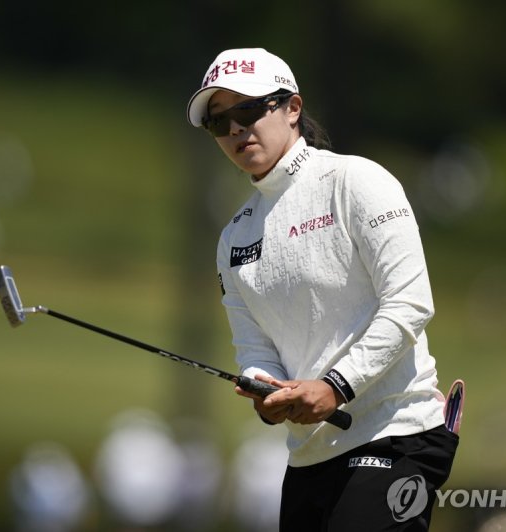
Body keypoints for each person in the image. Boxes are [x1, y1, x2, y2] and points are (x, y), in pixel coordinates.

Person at [186, 48, 459, 531]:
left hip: (397, 435)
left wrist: (335, 388)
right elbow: (255, 347)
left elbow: (410, 302)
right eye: (218, 121)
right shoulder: (234, 238)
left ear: (292, 108)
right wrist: (268, 392)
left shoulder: (356, 181)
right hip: (310, 456)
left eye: (248, 110)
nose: (233, 129)